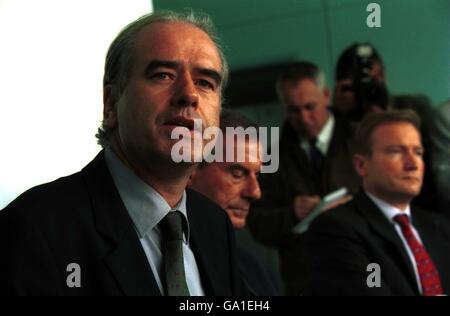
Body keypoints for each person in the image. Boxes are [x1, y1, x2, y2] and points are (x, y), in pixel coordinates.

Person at [0, 11, 245, 296]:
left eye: (205, 82)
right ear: (111, 104)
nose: (189, 94)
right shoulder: (34, 228)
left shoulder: (215, 225)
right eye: (163, 75)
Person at [305, 110, 450, 296]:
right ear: (361, 165)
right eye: (396, 151)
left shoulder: (441, 227)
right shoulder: (335, 229)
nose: (413, 164)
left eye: (418, 152)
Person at [246, 61, 360, 295]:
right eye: (294, 110)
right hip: (307, 284)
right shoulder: (271, 158)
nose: (305, 118)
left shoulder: (362, 140)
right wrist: (292, 214)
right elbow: (257, 223)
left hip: (361, 271)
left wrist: (353, 209)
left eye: (310, 107)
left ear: (326, 95)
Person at [333, 42, 449, 216]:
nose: (368, 88)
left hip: (425, 213)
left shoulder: (415, 107)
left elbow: (434, 169)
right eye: (358, 85)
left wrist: (389, 120)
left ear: (383, 74)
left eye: (374, 78)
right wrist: (343, 118)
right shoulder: (338, 126)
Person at [189, 109, 283, 295]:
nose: (255, 193)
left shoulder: (259, 272)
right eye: (238, 174)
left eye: (257, 176)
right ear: (190, 170)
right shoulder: (153, 260)